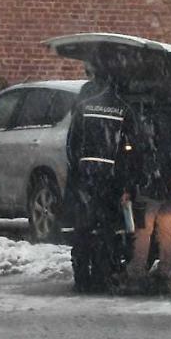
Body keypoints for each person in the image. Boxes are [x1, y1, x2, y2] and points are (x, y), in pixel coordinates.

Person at [65, 60, 135, 293]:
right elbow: (130, 147)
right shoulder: (122, 107)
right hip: (111, 176)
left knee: (83, 228)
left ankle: (83, 276)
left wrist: (78, 169)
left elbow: (72, 142)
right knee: (106, 229)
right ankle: (103, 275)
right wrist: (125, 182)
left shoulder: (84, 103)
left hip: (86, 174)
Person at [125, 90, 171, 292]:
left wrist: (135, 180)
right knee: (167, 231)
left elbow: (138, 151)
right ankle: (165, 270)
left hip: (151, 184)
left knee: (143, 230)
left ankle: (137, 271)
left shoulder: (149, 123)